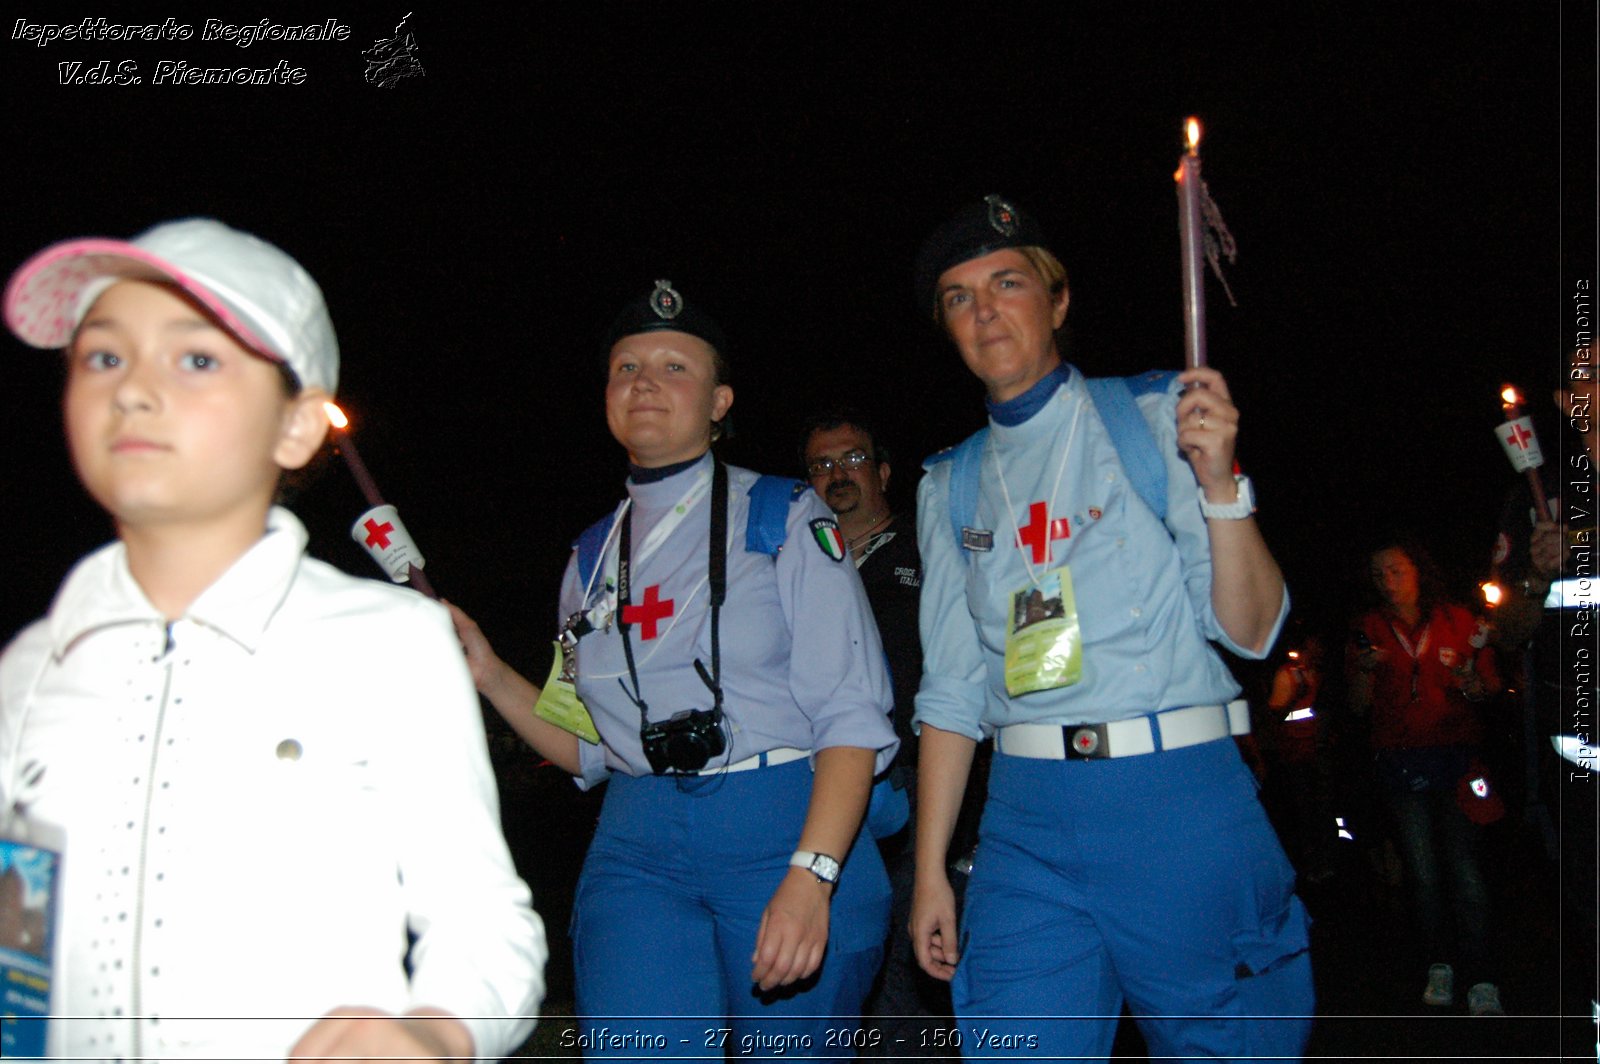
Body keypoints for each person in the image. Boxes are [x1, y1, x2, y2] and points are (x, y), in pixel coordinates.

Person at [0, 218, 547, 1060]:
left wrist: (437, 1032)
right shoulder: (31, 668)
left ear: (296, 425)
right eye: (103, 356)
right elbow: (19, 937)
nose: (134, 390)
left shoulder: (387, 642)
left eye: (196, 359)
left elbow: (482, 920)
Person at [906, 194, 1312, 1059]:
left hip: (1179, 800)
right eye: (958, 297)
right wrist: (932, 868)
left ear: (1056, 301)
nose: (984, 311)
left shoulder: (1155, 416)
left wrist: (1219, 484)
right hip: (1024, 824)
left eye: (1006, 283)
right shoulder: (948, 484)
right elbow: (951, 690)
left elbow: (1251, 630)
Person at [448, 280, 897, 1058]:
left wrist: (813, 874)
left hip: (784, 822)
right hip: (639, 841)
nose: (644, 382)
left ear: (720, 401)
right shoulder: (589, 559)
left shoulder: (785, 515)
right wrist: (487, 672)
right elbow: (587, 747)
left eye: (672, 367)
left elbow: (852, 714)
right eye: (626, 368)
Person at [800, 410, 980, 1055]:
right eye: (820, 465)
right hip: (818, 796)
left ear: (881, 472)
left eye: (851, 459)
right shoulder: (793, 564)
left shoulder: (928, 548)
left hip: (919, 788)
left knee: (913, 972)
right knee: (841, 971)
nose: (835, 475)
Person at [1488, 345, 1596, 1046]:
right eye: (1591, 370)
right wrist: (1533, 575)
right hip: (1584, 762)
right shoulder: (1538, 493)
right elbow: (1506, 628)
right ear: (1565, 400)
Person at [1347, 538, 1504, 1015]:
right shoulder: (1367, 629)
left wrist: (1476, 685)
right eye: (1378, 575)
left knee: (1466, 873)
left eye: (1395, 569)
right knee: (1423, 874)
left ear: (1418, 570)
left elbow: (1490, 685)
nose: (1387, 581)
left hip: (1457, 759)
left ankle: (1481, 976)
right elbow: (1356, 705)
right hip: (1400, 762)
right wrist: (1365, 673)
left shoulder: (1458, 620)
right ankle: (1440, 965)